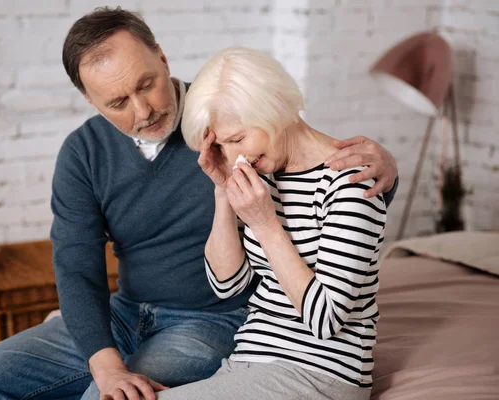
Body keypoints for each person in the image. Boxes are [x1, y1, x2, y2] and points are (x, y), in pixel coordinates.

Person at [0, 8, 398, 400]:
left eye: (146, 85)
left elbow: (302, 160)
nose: (143, 110)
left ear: (163, 58)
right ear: (90, 102)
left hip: (209, 321)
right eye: (117, 102)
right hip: (127, 310)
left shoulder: (222, 118)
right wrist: (106, 361)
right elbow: (76, 267)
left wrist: (384, 173)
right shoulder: (83, 152)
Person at [155, 46, 386, 400]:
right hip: (249, 365)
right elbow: (227, 285)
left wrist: (265, 225)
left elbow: (325, 320)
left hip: (318, 374)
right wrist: (222, 191)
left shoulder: (350, 182)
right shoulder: (265, 175)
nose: (235, 156)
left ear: (276, 104)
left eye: (238, 139)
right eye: (223, 145)